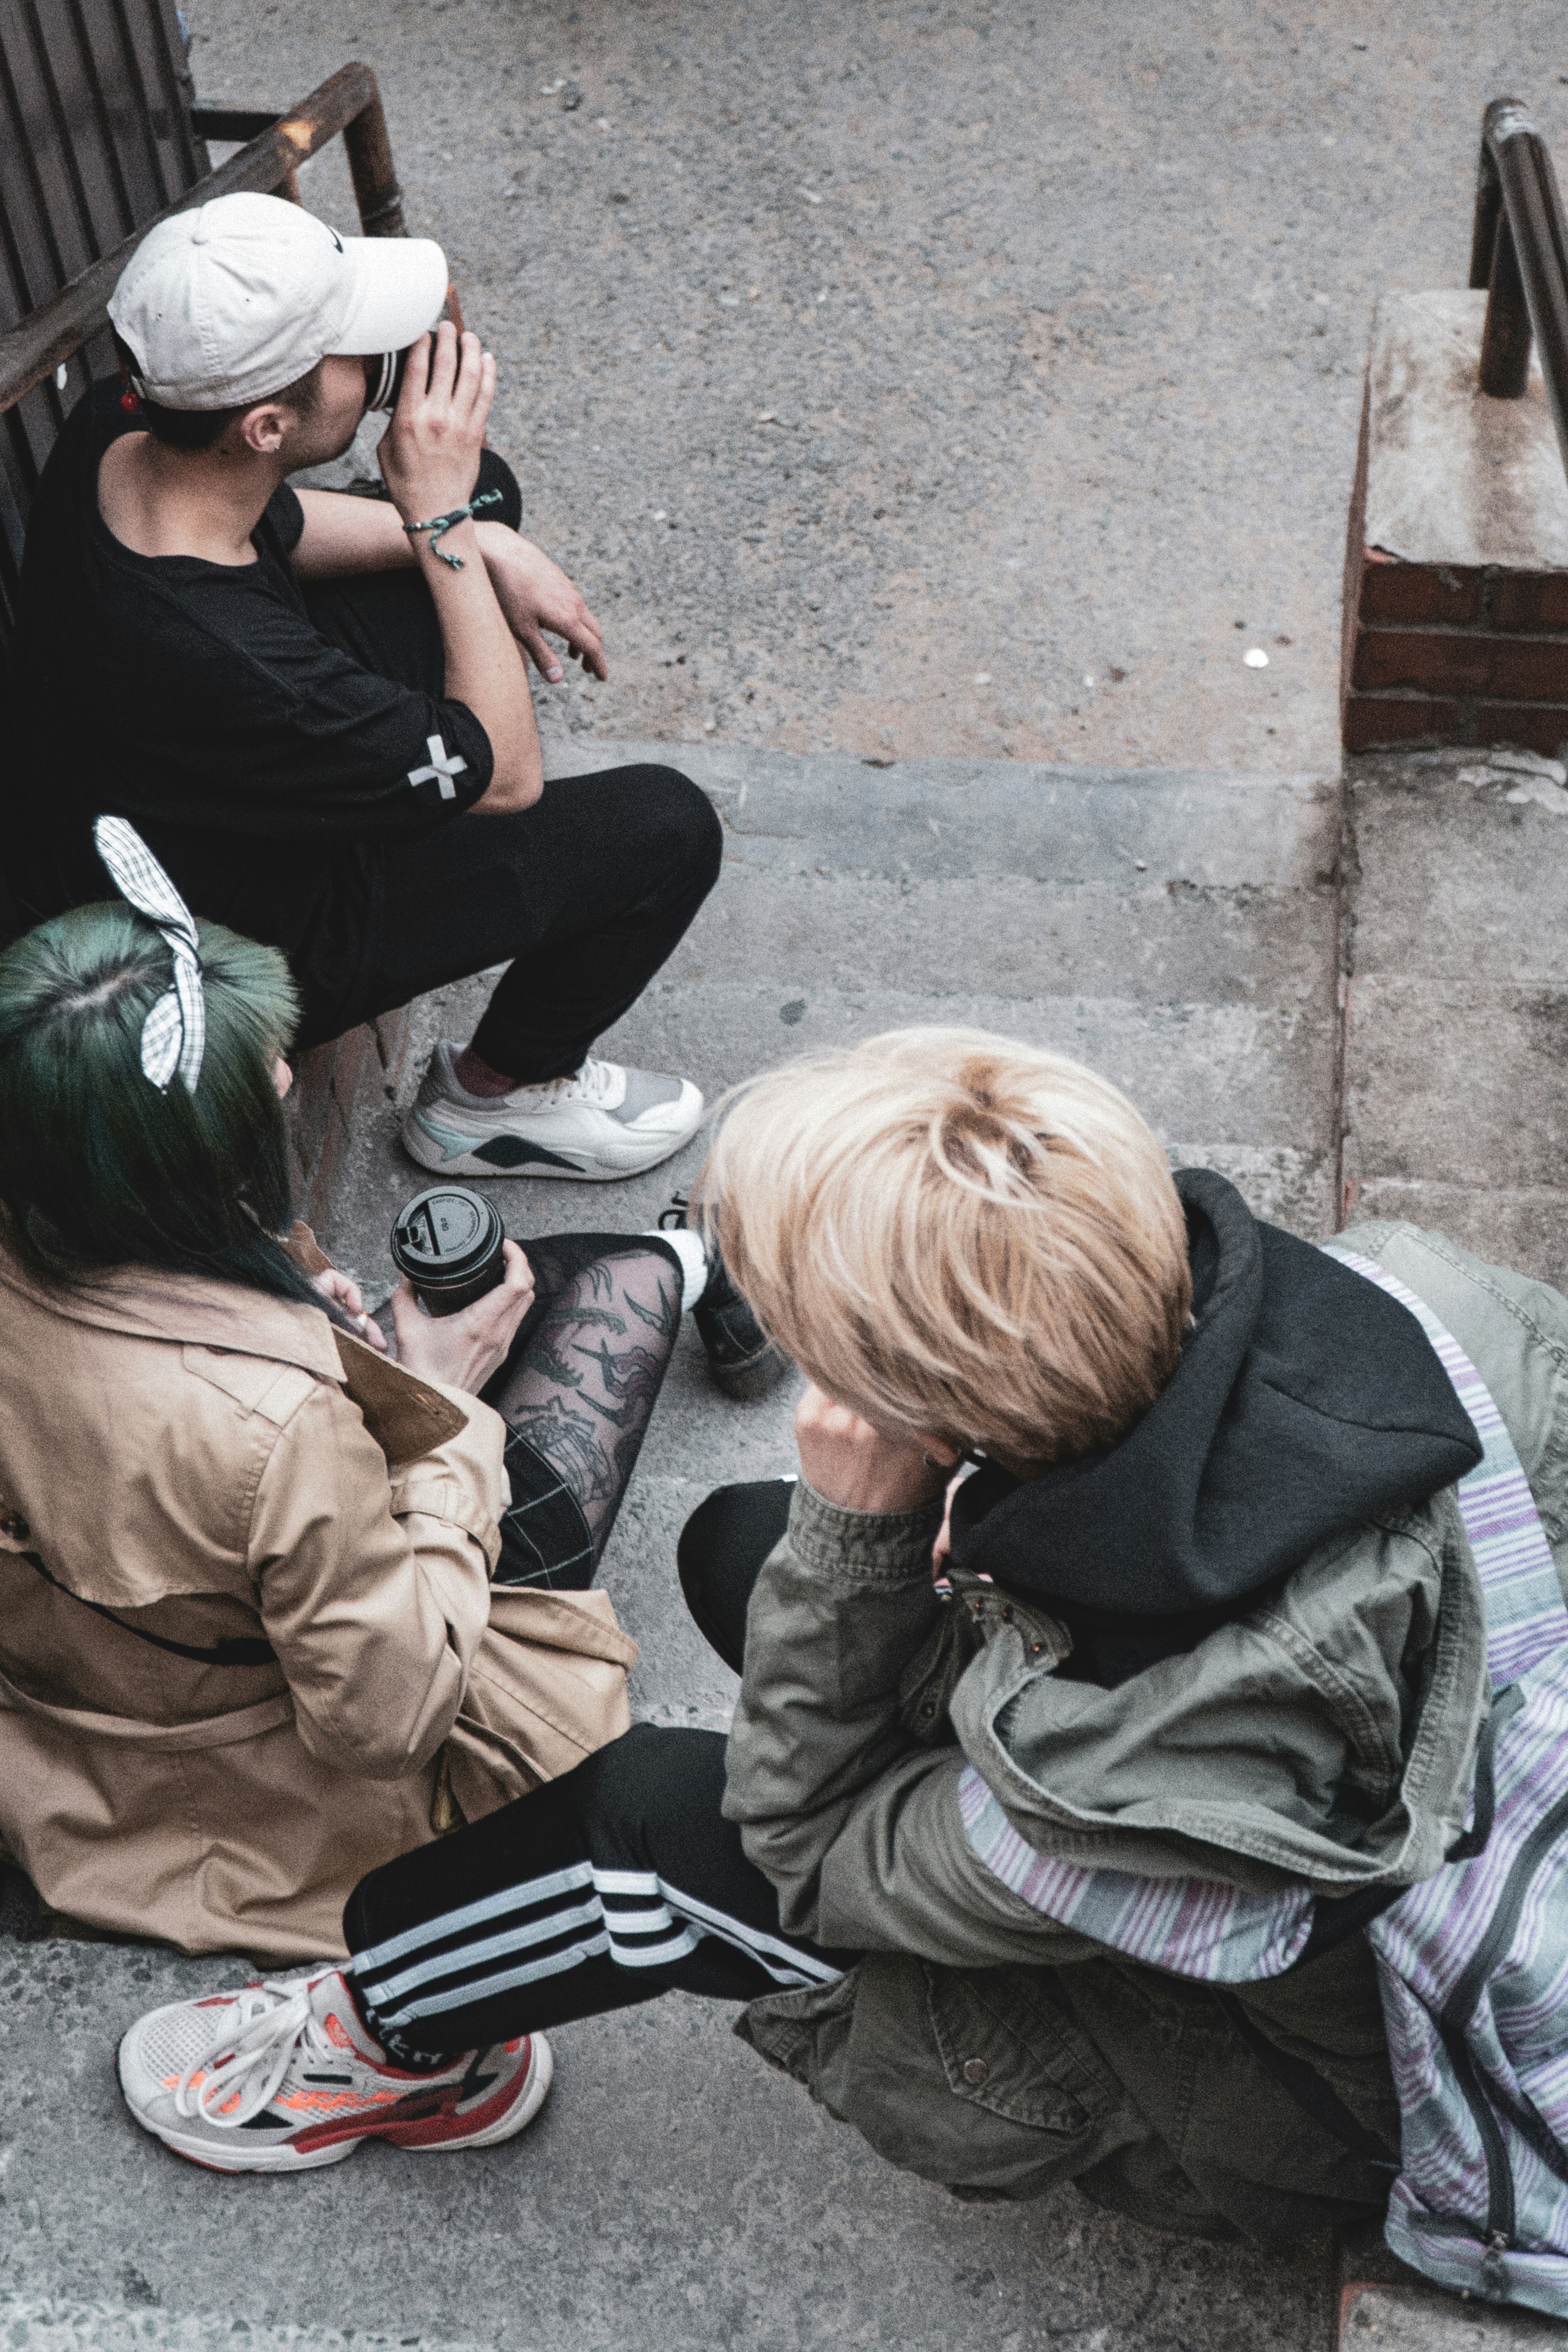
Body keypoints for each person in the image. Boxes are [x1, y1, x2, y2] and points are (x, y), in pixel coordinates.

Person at [122, 1024, 1568, 2230]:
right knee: (737, 1547)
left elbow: (800, 1851)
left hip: (1349, 2095)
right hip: (1424, 1790)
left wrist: (865, 1526)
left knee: (654, 1830)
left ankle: (391, 2043)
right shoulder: (1410, 1298)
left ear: (932, 1406)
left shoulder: (1093, 1797)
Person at [0, 828, 781, 2165]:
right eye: (263, 1075)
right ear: (180, 1170)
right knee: (600, 1296)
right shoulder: (274, 1434)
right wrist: (447, 1411)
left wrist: (308, 1321)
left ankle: (693, 1273)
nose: (290, 1071)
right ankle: (691, 1272)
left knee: (554, 1290)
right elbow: (386, 1715)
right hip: (244, 1768)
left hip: (80, 1695)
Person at [2, 191, 722, 1184]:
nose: (395, 360)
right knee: (665, 829)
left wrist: (481, 533)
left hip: (145, 794)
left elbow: (273, 524)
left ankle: (467, 540)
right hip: (225, 940)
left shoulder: (121, 424)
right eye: (357, 353)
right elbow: (506, 773)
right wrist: (439, 523)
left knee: (486, 492)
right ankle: (491, 1103)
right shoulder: (245, 670)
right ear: (263, 424)